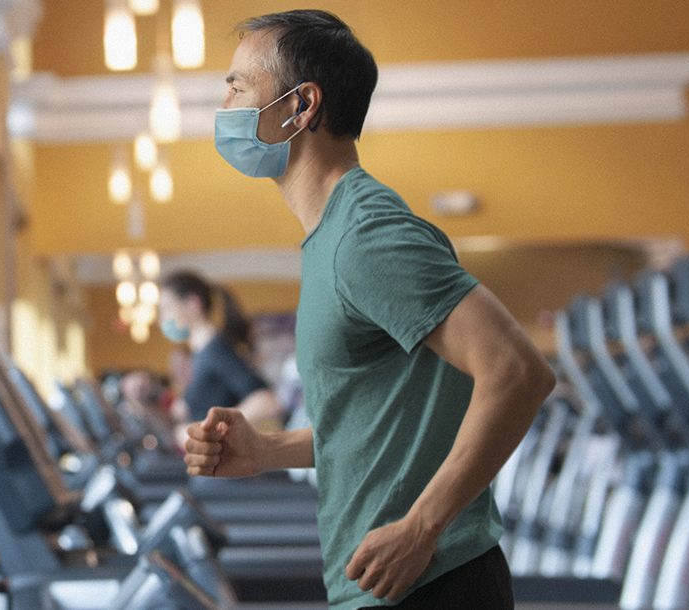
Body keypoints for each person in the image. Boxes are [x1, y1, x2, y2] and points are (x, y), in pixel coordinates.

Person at [183, 10, 555, 610]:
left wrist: (422, 526)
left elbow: (519, 373)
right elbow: (378, 419)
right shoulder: (333, 235)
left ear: (300, 106)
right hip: (386, 586)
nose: (223, 102)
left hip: (433, 584)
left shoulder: (366, 234)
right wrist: (268, 452)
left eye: (238, 86)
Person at [158, 270, 283, 431]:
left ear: (193, 304)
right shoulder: (200, 353)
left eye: (167, 308)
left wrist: (206, 430)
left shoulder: (216, 351)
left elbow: (266, 402)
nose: (162, 318)